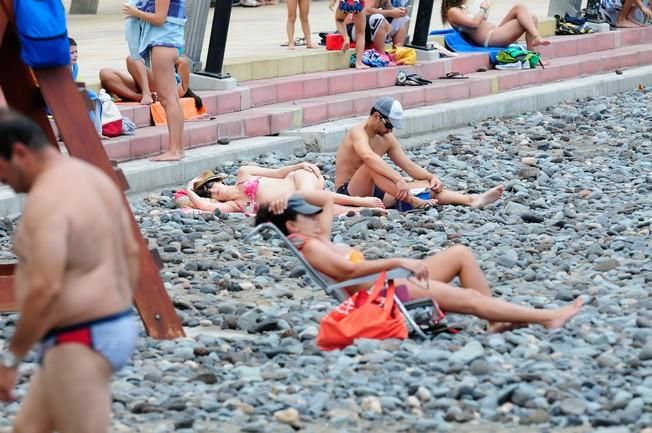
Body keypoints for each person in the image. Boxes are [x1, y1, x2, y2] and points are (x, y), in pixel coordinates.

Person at [255, 190, 584, 333]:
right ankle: (547, 318)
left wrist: (279, 201)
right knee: (468, 299)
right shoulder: (311, 247)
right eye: (307, 217)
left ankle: (495, 317)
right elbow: (349, 271)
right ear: (294, 226)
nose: (317, 219)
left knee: (460, 254)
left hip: (392, 284)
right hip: (385, 297)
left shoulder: (316, 237)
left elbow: (325, 199)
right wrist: (400, 260)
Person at [0, 110, 140, 432]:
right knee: (28, 428)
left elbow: (45, 288)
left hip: (79, 337)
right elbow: (131, 252)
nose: (3, 182)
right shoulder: (92, 177)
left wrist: (11, 359)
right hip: (107, 324)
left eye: (2, 171)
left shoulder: (47, 201)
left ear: (19, 152)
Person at [335, 97, 504, 210]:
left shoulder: (387, 138)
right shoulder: (357, 133)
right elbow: (368, 157)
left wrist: (431, 177)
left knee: (427, 186)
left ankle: (471, 199)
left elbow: (407, 165)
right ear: (376, 116)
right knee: (370, 166)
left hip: (377, 193)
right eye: (389, 125)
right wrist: (398, 180)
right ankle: (412, 201)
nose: (390, 130)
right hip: (349, 194)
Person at [178, 162, 385, 215]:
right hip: (299, 198)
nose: (213, 190)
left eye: (212, 185)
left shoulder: (243, 173)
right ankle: (360, 211)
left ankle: (361, 201)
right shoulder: (235, 205)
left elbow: (277, 172)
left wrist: (299, 165)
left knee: (303, 196)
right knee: (309, 208)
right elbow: (205, 207)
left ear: (220, 181)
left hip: (298, 179)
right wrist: (190, 190)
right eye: (209, 192)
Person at [122, 0, 186, 161]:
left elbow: (159, 19)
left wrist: (135, 12)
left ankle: (173, 150)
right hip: (169, 43)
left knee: (167, 99)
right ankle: (179, 148)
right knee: (173, 99)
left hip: (163, 44)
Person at [99, 56, 203, 110]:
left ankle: (146, 93)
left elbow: (182, 64)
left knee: (132, 59)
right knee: (105, 73)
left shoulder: (178, 74)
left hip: (165, 85)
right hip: (144, 87)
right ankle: (139, 96)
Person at [442, 0, 550, 51]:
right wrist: (482, 9)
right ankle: (536, 39)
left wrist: (485, 11)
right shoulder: (452, 11)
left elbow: (479, 23)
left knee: (521, 9)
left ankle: (534, 53)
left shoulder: (461, 9)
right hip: (490, 38)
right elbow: (474, 24)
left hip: (495, 32)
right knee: (530, 17)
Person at [330, 0, 369, 68]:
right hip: (357, 3)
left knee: (339, 20)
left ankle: (346, 38)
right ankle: (358, 62)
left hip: (345, 2)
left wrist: (333, 2)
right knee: (360, 33)